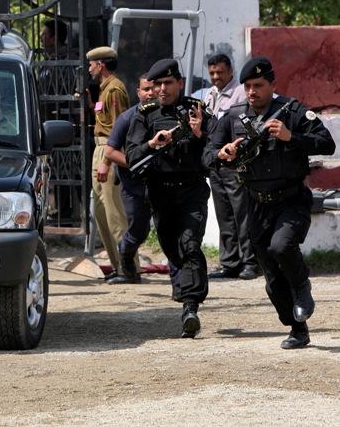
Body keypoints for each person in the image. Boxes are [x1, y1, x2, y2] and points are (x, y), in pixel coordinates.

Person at [203, 56, 336, 349]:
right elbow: (208, 152)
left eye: (259, 85)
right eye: (248, 86)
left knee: (282, 246)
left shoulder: (292, 111)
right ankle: (298, 328)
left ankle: (302, 285)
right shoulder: (234, 117)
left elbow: (327, 144)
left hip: (291, 199)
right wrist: (222, 153)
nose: (252, 92)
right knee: (273, 278)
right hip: (256, 204)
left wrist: (292, 137)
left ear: (272, 85)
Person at [126, 59, 213, 338]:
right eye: (157, 84)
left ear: (179, 83)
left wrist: (199, 135)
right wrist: (153, 143)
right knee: (172, 247)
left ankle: (190, 306)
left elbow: (214, 151)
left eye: (167, 83)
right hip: (161, 192)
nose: (161, 89)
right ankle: (186, 288)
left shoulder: (197, 111)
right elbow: (131, 155)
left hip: (192, 190)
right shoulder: (145, 115)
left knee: (189, 244)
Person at [203, 54, 259, 280]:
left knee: (242, 214)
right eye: (212, 73)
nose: (216, 77)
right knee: (224, 214)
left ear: (231, 71)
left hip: (236, 164)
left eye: (220, 72)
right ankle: (229, 262)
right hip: (216, 162)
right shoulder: (210, 94)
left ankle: (249, 262)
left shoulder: (240, 94)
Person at [103, 74, 158, 283]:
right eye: (146, 89)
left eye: (154, 88)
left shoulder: (165, 115)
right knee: (139, 228)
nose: (151, 93)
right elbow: (110, 151)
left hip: (162, 182)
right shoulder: (127, 118)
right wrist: (136, 162)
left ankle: (180, 281)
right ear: (138, 92)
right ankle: (126, 256)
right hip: (134, 184)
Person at [85, 46, 130, 281]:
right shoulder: (104, 90)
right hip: (100, 147)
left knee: (114, 213)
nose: (89, 68)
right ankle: (118, 266)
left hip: (108, 151)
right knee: (102, 214)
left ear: (101, 65)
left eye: (92, 64)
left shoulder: (114, 90)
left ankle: (128, 267)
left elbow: (118, 130)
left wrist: (106, 161)